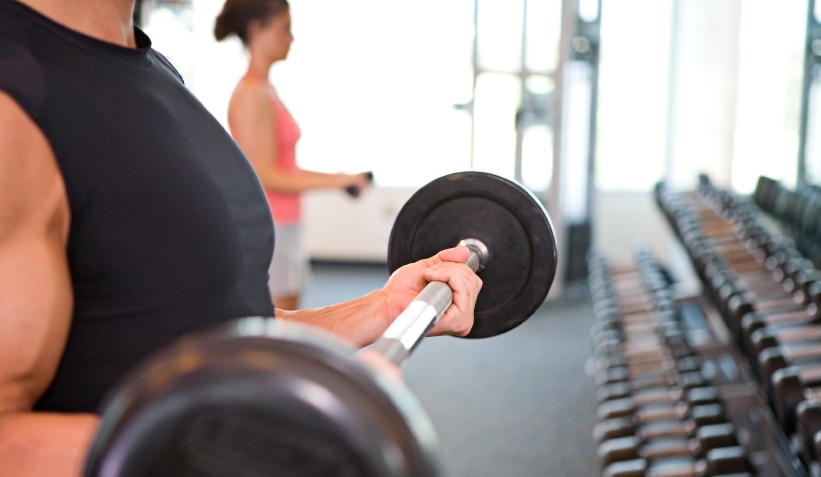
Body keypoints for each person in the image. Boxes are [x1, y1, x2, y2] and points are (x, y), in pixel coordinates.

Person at [0, 1, 482, 476]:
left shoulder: (151, 71)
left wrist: (380, 309)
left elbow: (234, 331)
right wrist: (242, 445)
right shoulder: (15, 102)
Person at [214, 0, 371, 311]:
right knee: (279, 327)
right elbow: (265, 174)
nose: (291, 38)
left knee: (289, 318)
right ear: (256, 30)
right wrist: (338, 181)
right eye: (285, 28)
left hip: (287, 223)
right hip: (271, 225)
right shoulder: (249, 94)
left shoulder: (265, 89)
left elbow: (284, 166)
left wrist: (341, 179)